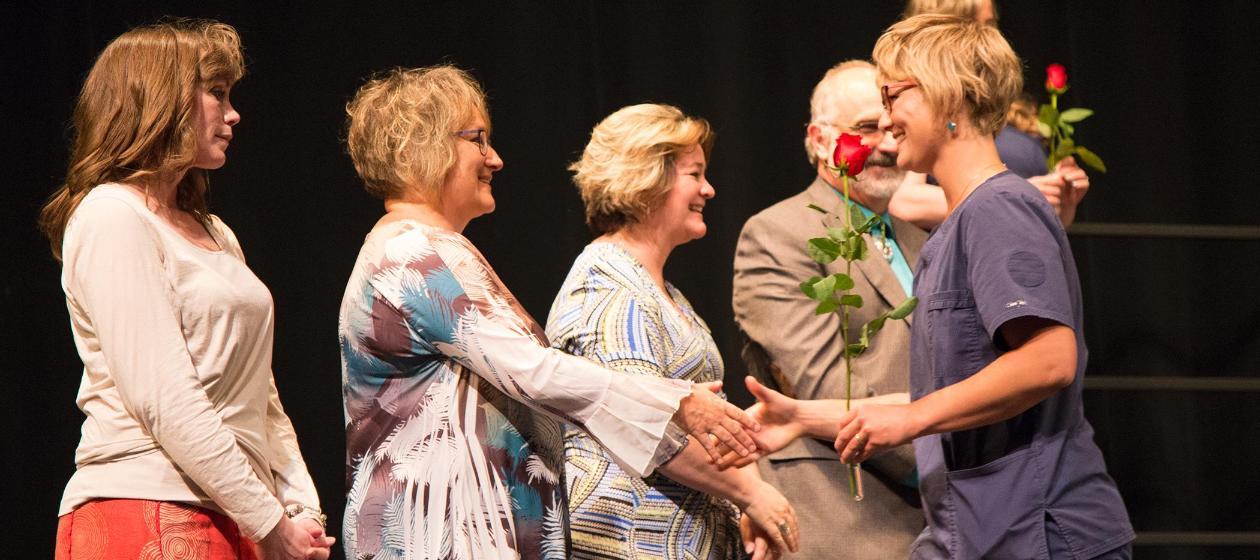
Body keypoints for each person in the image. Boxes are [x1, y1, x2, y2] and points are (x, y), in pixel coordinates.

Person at [338, 66, 766, 560]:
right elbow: (537, 374)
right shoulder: (413, 254)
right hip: (437, 539)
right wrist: (677, 402)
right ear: (421, 144)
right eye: (477, 140)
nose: (494, 159)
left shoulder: (430, 248)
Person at [832, 14, 1134, 558]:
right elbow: (951, 388)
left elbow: (1049, 359)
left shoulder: (999, 209)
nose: (884, 117)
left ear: (950, 97)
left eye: (893, 95)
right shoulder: (956, 225)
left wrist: (910, 418)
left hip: (1036, 531)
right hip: (974, 530)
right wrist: (798, 418)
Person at [41, 19, 333, 560]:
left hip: (235, 511)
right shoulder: (112, 216)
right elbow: (163, 397)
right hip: (146, 503)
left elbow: (260, 395)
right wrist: (270, 522)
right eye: (216, 94)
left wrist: (299, 508)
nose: (233, 113)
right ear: (161, 101)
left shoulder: (216, 232)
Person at [548, 104, 799, 560]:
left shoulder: (662, 290)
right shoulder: (608, 285)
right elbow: (641, 422)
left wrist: (745, 491)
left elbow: (703, 419)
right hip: (627, 541)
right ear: (647, 180)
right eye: (694, 173)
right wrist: (753, 496)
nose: (708, 188)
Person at [731, 60, 926, 560]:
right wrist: (946, 457)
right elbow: (818, 380)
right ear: (819, 140)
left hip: (947, 513)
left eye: (893, 129)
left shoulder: (921, 239)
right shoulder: (777, 234)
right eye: (866, 128)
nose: (885, 144)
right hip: (849, 514)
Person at [891, 0, 1092, 230]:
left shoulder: (1002, 102)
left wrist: (1061, 202)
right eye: (979, 25)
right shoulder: (926, 103)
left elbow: (1035, 221)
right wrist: (1016, 195)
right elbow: (906, 202)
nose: (993, 35)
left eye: (992, 24)